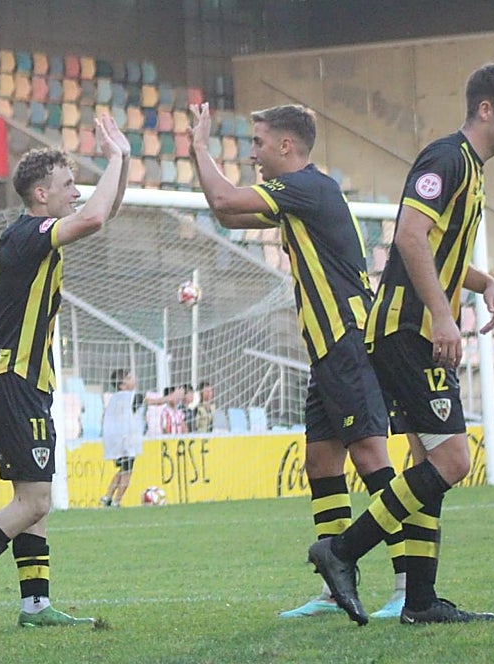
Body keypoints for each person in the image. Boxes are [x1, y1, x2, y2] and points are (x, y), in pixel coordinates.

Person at [308, 61, 494, 626]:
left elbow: (438, 246)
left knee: (427, 460)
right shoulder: (447, 158)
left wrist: (484, 284)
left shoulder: (471, 169)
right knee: (453, 460)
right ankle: (342, 551)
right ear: (486, 109)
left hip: (416, 329)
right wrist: (442, 317)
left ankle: (421, 601)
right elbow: (409, 235)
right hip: (410, 331)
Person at [191, 100, 407, 620]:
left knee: (372, 460)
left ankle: (408, 586)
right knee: (320, 463)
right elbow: (226, 212)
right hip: (327, 347)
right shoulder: (300, 197)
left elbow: (221, 198)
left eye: (258, 142)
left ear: (287, 146)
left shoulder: (308, 187)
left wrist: (198, 145)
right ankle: (338, 590)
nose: (253, 153)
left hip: (348, 339)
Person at [0, 113, 131, 633]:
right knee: (34, 499)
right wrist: (116, 159)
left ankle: (35, 606)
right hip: (13, 379)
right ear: (40, 194)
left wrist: (120, 163)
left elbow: (106, 208)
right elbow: (96, 218)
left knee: (36, 503)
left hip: (24, 382)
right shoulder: (29, 234)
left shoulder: (37, 231)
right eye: (67, 185)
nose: (76, 192)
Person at [99, 370, 144, 507]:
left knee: (123, 469)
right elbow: (155, 401)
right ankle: (117, 500)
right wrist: (171, 397)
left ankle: (108, 496)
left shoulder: (115, 399)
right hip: (127, 441)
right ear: (122, 385)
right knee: (127, 472)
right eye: (129, 377)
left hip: (116, 441)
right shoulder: (132, 397)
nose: (134, 378)